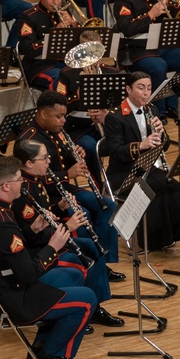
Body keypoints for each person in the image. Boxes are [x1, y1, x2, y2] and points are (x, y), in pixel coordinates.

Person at [0, 155, 95, 359]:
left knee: (74, 275)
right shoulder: (1, 221)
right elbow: (27, 274)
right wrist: (52, 247)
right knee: (87, 300)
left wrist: (33, 230)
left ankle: (39, 350)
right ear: (6, 186)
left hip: (2, 285)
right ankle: (52, 358)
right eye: (19, 180)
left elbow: (7, 250)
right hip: (10, 296)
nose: (23, 184)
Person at [12, 139, 125, 325]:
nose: (49, 161)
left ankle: (96, 306)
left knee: (92, 248)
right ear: (29, 164)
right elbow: (34, 235)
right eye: (44, 158)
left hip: (50, 239)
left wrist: (61, 207)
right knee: (85, 255)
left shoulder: (36, 181)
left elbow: (46, 216)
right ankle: (83, 308)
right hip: (40, 249)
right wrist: (68, 227)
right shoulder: (22, 191)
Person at [17, 91, 119, 270]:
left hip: (64, 189)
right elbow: (30, 177)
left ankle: (104, 261)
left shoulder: (57, 131)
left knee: (107, 205)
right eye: (59, 116)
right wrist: (68, 174)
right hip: (47, 196)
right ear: (43, 114)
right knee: (82, 215)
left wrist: (76, 155)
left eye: (64, 116)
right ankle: (86, 264)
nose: (64, 120)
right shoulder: (28, 139)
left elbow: (63, 158)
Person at [102, 72, 180, 251]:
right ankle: (151, 240)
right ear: (128, 89)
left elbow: (162, 148)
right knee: (155, 187)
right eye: (140, 88)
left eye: (149, 88)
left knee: (175, 187)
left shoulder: (152, 109)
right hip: (123, 172)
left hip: (146, 168)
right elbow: (116, 152)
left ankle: (169, 235)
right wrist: (141, 145)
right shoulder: (115, 117)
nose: (146, 93)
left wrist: (162, 134)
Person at [113, 0, 180, 119]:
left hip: (162, 46)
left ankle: (172, 104)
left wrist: (169, 3)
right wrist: (150, 15)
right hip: (137, 49)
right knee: (158, 67)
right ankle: (158, 112)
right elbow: (127, 28)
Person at [54, 29, 119, 186]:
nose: (92, 58)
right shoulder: (67, 74)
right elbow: (58, 106)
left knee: (124, 140)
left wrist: (108, 114)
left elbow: (122, 104)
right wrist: (77, 96)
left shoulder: (111, 72)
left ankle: (117, 181)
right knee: (89, 147)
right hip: (78, 127)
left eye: (96, 51)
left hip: (108, 123)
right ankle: (98, 185)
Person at [17, 0, 80, 90]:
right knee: (63, 80)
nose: (56, 2)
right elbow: (28, 49)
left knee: (87, 75)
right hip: (38, 66)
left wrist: (74, 24)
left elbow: (81, 41)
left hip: (64, 62)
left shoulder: (65, 12)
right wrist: (55, 34)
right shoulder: (28, 17)